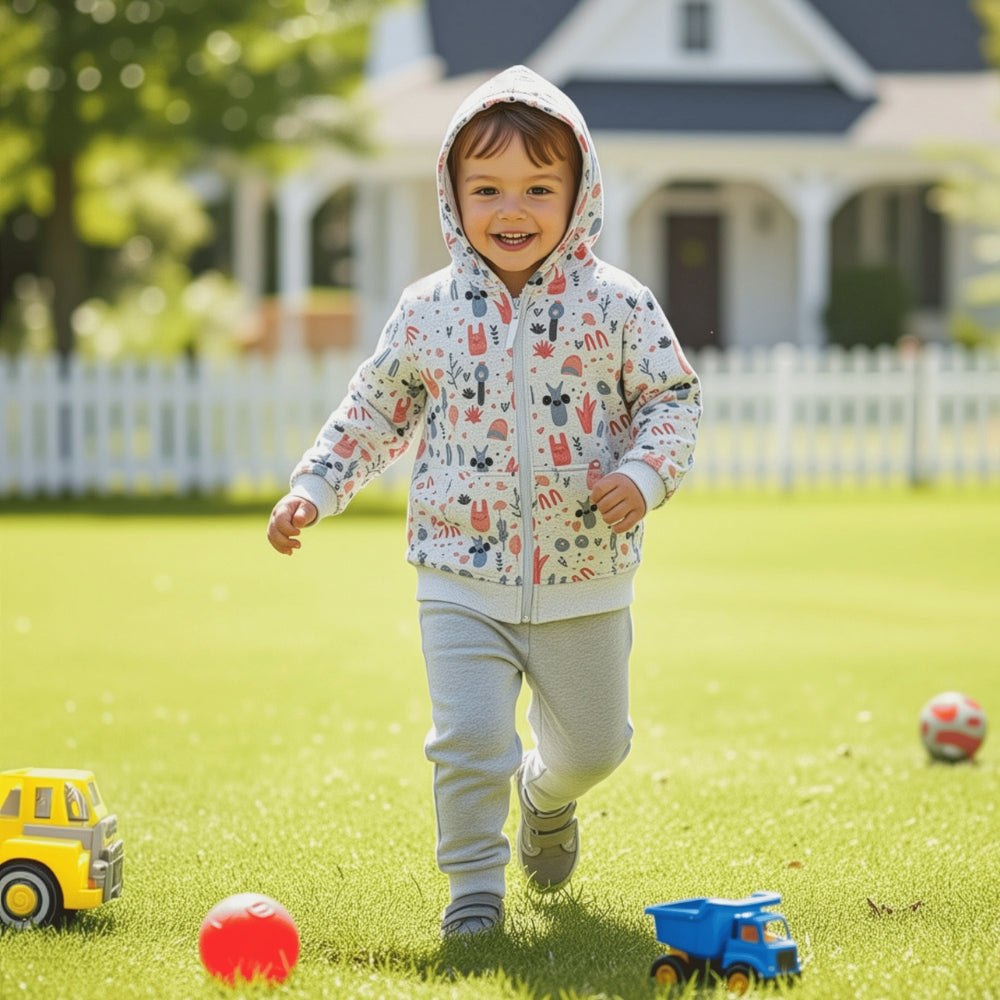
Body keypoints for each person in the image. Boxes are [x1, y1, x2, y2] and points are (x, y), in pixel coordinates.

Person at [267, 65, 701, 938]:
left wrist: (645, 476)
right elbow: (376, 407)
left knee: (596, 748)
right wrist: (315, 486)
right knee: (467, 741)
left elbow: (671, 400)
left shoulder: (617, 304)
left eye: (540, 188)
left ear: (579, 193)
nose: (513, 209)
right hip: (459, 575)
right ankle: (474, 890)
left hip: (586, 578)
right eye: (488, 188)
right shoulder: (428, 311)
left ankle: (544, 797)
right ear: (451, 195)